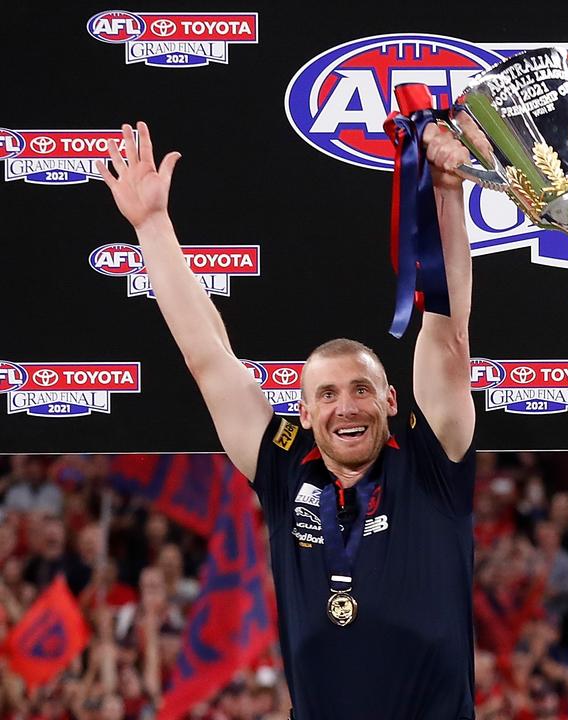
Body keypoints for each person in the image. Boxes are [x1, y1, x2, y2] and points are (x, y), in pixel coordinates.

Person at [97, 120, 483, 719]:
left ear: (389, 401)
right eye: (326, 395)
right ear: (302, 411)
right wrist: (152, 225)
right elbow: (209, 360)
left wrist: (446, 196)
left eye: (361, 389)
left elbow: (447, 336)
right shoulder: (283, 465)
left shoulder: (432, 461)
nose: (345, 406)